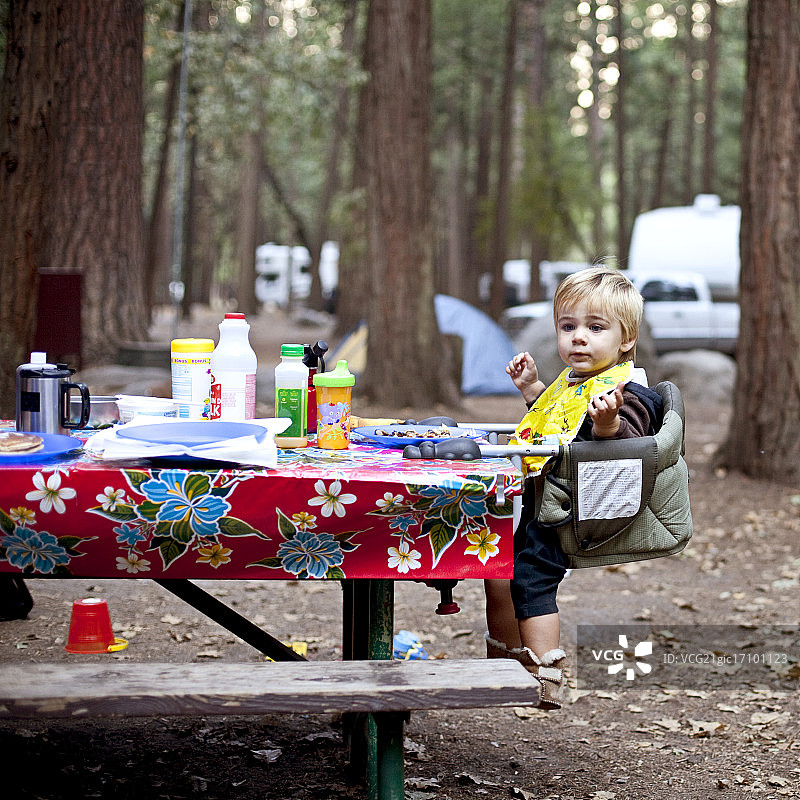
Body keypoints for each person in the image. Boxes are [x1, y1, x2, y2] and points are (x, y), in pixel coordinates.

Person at [484, 266, 663, 709]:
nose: (578, 337)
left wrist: (608, 423)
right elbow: (557, 422)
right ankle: (506, 660)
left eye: (594, 327)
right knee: (499, 569)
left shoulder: (626, 392)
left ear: (626, 340)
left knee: (530, 579)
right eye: (568, 326)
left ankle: (547, 672)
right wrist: (532, 390)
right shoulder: (573, 383)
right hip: (543, 501)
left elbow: (625, 449)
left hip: (576, 512)